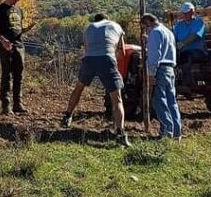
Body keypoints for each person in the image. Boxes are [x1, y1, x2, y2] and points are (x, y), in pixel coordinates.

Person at [60, 13, 131, 147]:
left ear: (96, 20)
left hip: (89, 59)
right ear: (107, 19)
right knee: (117, 98)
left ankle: (67, 116)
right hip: (107, 59)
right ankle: (120, 133)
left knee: (79, 87)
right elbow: (122, 53)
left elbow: (87, 50)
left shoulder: (89, 28)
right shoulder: (116, 26)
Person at [0, 0, 34, 115]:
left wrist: (27, 29)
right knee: (7, 74)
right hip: (6, 45)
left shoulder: (19, 10)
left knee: (19, 74)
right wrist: (3, 40)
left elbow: (17, 29)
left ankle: (18, 103)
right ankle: (6, 104)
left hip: (19, 45)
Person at [142, 12, 181, 141]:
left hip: (159, 69)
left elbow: (154, 55)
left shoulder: (155, 32)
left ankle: (166, 132)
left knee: (159, 101)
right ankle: (176, 132)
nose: (146, 30)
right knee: (172, 101)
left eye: (145, 27)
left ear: (148, 22)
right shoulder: (168, 32)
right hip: (170, 68)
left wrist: (151, 74)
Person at [173, 2, 207, 87]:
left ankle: (187, 84)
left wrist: (182, 43)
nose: (185, 14)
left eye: (187, 12)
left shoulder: (198, 22)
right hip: (183, 52)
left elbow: (194, 35)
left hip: (198, 51)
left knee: (186, 56)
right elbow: (173, 37)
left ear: (192, 12)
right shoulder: (179, 25)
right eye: (184, 13)